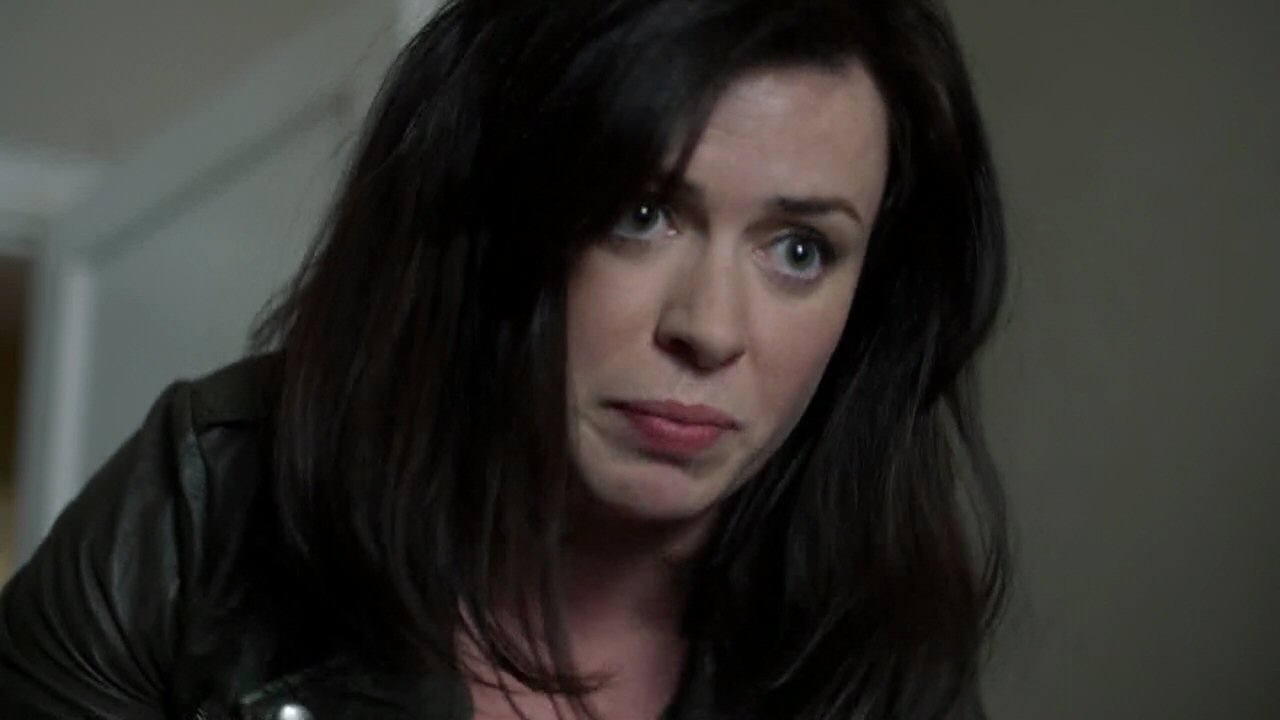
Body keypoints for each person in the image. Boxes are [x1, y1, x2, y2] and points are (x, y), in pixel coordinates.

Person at [0, 0, 1010, 718]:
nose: (709, 328)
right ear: (490, 217)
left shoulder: (891, 658)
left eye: (799, 250)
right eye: (639, 213)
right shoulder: (205, 510)